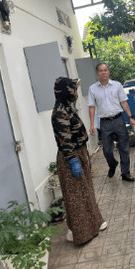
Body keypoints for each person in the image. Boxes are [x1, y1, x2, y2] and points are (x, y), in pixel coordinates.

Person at [51, 77, 107, 244]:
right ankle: (81, 233)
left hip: (79, 154)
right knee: (76, 196)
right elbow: (64, 141)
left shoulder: (67, 107)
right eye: (73, 90)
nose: (76, 93)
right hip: (71, 158)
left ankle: (91, 224)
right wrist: (73, 160)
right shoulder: (60, 112)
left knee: (84, 191)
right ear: (65, 91)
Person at [87, 63, 135, 182]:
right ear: (97, 73)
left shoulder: (117, 85)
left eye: (105, 70)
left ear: (109, 72)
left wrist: (130, 116)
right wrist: (92, 124)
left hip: (118, 120)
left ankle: (126, 172)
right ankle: (113, 164)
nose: (103, 72)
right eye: (100, 71)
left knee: (124, 148)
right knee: (107, 150)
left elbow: (124, 102)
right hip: (104, 123)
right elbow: (91, 107)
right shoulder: (92, 89)